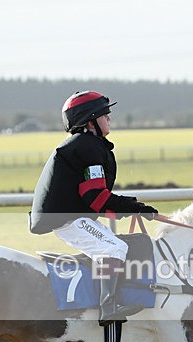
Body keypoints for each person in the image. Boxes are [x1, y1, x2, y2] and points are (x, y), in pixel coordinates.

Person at [30, 90, 158, 326]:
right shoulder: (87, 148)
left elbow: (95, 199)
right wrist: (134, 207)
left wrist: (133, 207)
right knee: (113, 249)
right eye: (105, 115)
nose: (109, 119)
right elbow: (96, 197)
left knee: (122, 245)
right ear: (91, 120)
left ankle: (120, 295)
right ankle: (108, 308)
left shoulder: (87, 145)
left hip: (75, 216)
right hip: (68, 221)